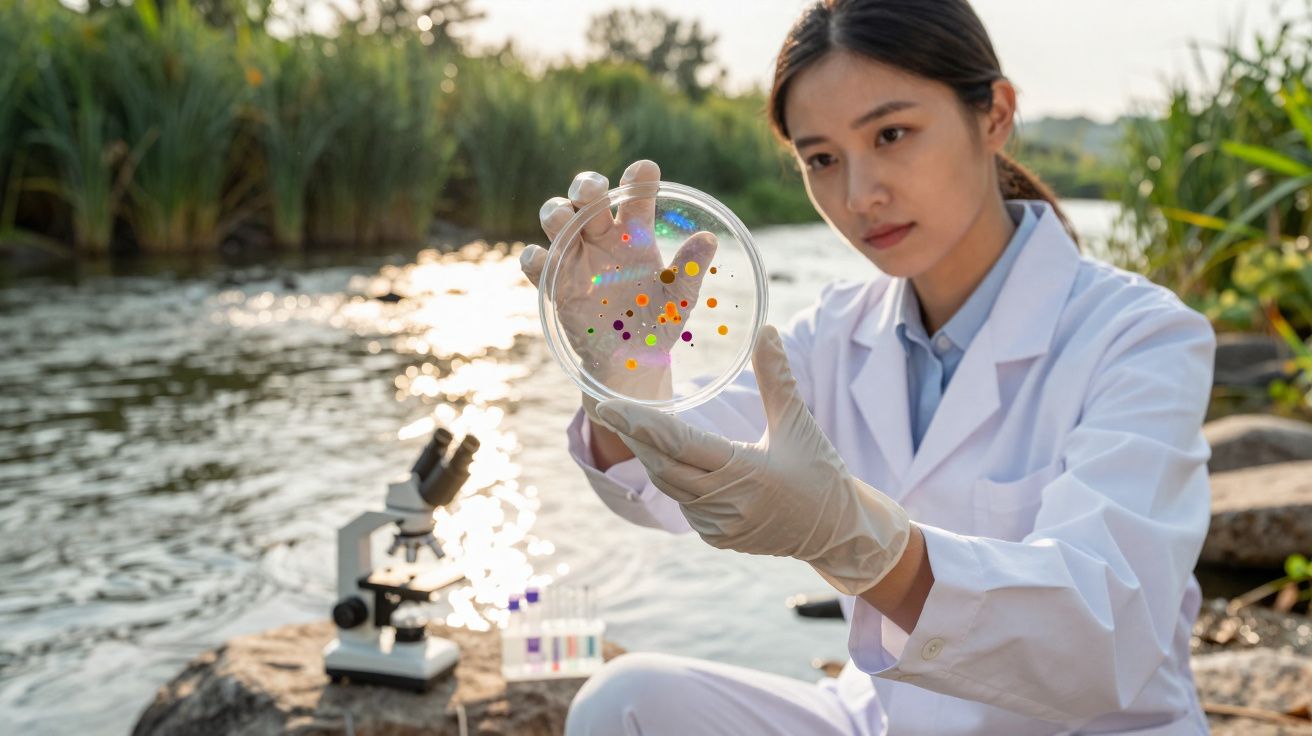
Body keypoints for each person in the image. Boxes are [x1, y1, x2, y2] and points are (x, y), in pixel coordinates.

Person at [517, 0, 1216, 733]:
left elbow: (1102, 637)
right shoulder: (837, 331)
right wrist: (624, 378)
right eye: (821, 159)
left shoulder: (1140, 337)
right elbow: (672, 476)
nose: (859, 195)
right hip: (878, 720)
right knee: (627, 704)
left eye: (892, 134)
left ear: (995, 115)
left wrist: (863, 545)